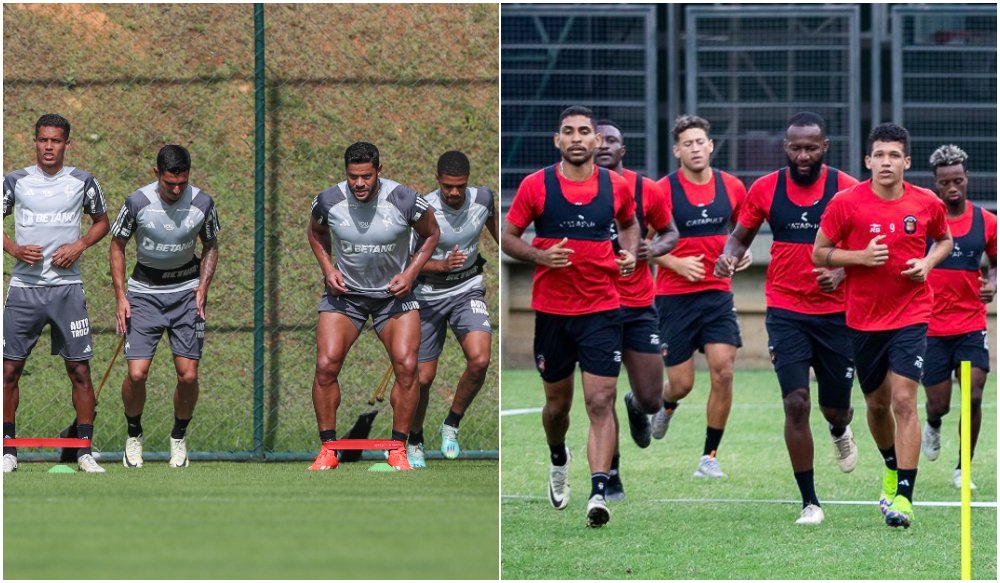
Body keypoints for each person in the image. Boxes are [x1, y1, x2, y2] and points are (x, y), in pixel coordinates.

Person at [714, 112, 859, 524]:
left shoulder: (846, 190)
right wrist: (728, 257)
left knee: (836, 409)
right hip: (786, 310)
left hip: (836, 313)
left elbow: (869, 246)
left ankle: (839, 430)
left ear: (825, 146)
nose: (803, 155)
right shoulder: (765, 188)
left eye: (811, 148)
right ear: (786, 147)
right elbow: (739, 237)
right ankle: (810, 501)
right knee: (796, 403)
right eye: (796, 148)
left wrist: (841, 272)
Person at [502, 105, 638, 528]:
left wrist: (630, 253)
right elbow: (508, 237)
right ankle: (559, 456)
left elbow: (630, 224)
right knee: (557, 407)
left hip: (602, 310)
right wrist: (540, 255)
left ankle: (598, 492)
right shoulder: (536, 185)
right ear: (557, 140)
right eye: (568, 131)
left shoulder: (616, 186)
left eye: (584, 131)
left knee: (601, 401)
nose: (577, 138)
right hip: (553, 313)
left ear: (597, 140)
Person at [813, 123, 952, 528]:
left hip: (912, 314)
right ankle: (891, 467)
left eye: (894, 155)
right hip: (863, 319)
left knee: (904, 400)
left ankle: (904, 498)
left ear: (906, 161)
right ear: (868, 161)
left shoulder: (926, 202)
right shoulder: (846, 203)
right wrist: (859, 257)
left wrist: (927, 262)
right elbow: (820, 253)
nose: (886, 162)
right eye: (879, 155)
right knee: (876, 405)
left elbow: (944, 240)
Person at [307, 141, 440, 472]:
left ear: (379, 171)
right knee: (325, 365)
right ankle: (328, 449)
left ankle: (397, 449)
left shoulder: (404, 200)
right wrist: (328, 269)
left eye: (366, 176)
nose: (359, 183)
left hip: (394, 297)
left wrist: (410, 273)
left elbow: (432, 234)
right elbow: (316, 232)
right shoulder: (328, 201)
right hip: (346, 296)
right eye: (353, 177)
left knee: (407, 366)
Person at [2, 113, 110, 473]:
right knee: (9, 370)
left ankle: (83, 451)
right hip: (24, 290)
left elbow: (102, 222)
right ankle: (8, 450)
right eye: (43, 140)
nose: (49, 147)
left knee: (79, 370)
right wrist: (14, 249)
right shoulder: (14, 182)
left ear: (67, 144)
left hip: (67, 291)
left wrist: (79, 245)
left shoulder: (83, 181)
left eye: (56, 141)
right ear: (35, 141)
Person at [649, 115, 749, 479]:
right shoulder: (661, 191)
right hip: (674, 298)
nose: (695, 149)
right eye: (687, 144)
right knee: (682, 384)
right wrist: (674, 262)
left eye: (700, 142)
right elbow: (641, 244)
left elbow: (742, 233)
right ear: (677, 151)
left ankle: (709, 457)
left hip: (717, 295)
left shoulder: (732, 187)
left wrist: (740, 254)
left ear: (710, 146)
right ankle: (666, 403)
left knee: (724, 371)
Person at [110, 144, 221, 469]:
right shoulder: (137, 203)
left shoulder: (202, 203)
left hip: (186, 293)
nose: (176, 190)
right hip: (144, 294)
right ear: (156, 173)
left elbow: (211, 245)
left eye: (181, 183)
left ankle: (179, 438)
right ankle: (134, 436)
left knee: (188, 376)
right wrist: (121, 296)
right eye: (169, 183)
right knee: (137, 373)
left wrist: (203, 287)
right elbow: (117, 245)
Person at [593, 119, 678, 501]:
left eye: (611, 140)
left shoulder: (646, 189)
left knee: (651, 398)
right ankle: (610, 474)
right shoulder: (577, 190)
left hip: (639, 305)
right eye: (598, 139)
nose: (603, 145)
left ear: (622, 150)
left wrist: (652, 249)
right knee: (602, 394)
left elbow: (671, 232)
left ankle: (636, 406)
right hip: (596, 306)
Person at [406, 151, 497, 468]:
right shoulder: (423, 210)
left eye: (460, 186)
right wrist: (441, 265)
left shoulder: (484, 199)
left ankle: (452, 424)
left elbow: (501, 235)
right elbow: (407, 262)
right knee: (422, 378)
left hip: (467, 289)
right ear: (438, 180)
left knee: (480, 359)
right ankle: (415, 439)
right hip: (427, 295)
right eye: (448, 186)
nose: (454, 192)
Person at [920, 144, 996, 489]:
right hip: (931, 327)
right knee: (939, 404)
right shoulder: (924, 222)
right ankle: (933, 423)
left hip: (970, 324)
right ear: (936, 184)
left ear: (967, 179)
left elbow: (996, 265)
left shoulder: (986, 222)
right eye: (945, 182)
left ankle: (963, 467)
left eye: (958, 180)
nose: (952, 188)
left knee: (974, 395)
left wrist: (993, 284)